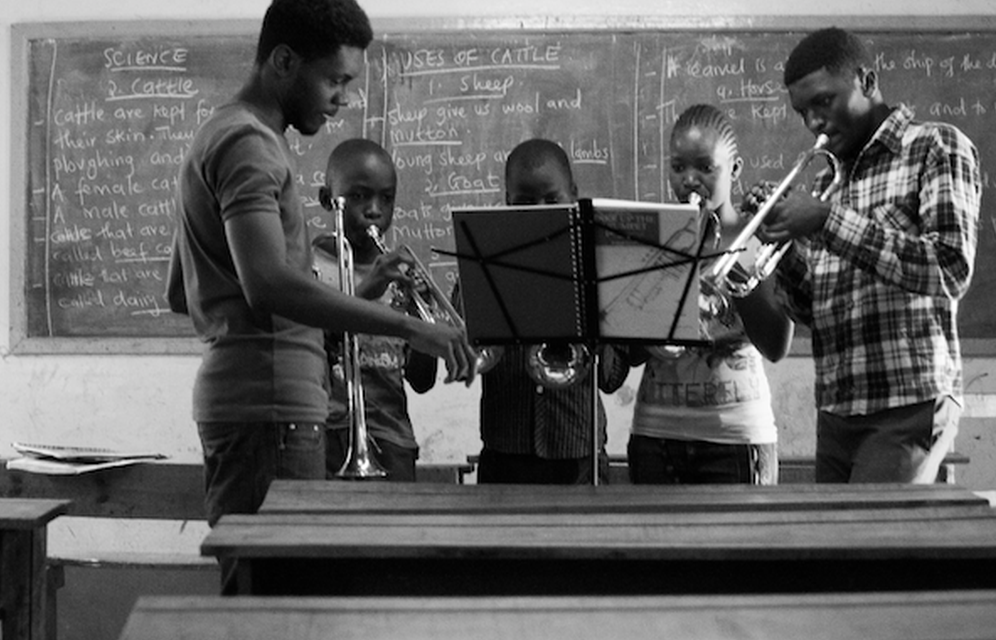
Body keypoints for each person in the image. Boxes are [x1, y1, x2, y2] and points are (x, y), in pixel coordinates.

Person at [165, 0, 471, 590]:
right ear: (283, 61)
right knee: (273, 606)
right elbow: (270, 287)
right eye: (334, 80)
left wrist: (352, 297)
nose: (342, 100)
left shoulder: (224, 134)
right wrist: (413, 326)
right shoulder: (250, 144)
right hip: (270, 410)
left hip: (252, 403)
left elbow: (184, 290)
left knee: (267, 597)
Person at [758, 27, 982, 484]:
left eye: (824, 101)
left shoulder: (934, 147)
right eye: (803, 112)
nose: (814, 123)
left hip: (908, 401)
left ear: (866, 79)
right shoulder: (828, 183)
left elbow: (949, 268)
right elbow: (809, 310)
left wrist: (825, 221)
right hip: (838, 407)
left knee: (874, 549)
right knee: (838, 552)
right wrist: (780, 244)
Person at [626, 104, 793, 485]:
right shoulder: (656, 240)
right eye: (678, 167)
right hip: (656, 432)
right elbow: (632, 351)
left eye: (705, 167)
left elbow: (776, 345)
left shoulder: (758, 237)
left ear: (734, 169)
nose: (689, 180)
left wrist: (731, 255)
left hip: (736, 436)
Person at [474, 138, 630, 485]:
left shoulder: (601, 267)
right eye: (525, 203)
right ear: (507, 201)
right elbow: (470, 348)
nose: (541, 211)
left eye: (552, 199)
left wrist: (597, 311)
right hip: (504, 452)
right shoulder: (486, 260)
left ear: (574, 194)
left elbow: (611, 379)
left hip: (578, 452)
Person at [311, 137, 439, 481]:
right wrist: (367, 291)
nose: (374, 210)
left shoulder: (402, 275)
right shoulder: (310, 269)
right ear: (328, 200)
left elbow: (422, 380)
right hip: (327, 432)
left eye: (386, 198)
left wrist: (419, 314)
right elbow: (314, 350)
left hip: (392, 437)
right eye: (358, 196)